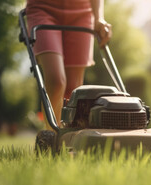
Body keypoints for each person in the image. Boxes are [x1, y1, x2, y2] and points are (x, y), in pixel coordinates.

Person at [26, 0, 112, 130]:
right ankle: (53, 137)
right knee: (56, 81)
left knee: (74, 90)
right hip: (43, 8)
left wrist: (99, 18)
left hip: (82, 12)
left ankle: (70, 139)